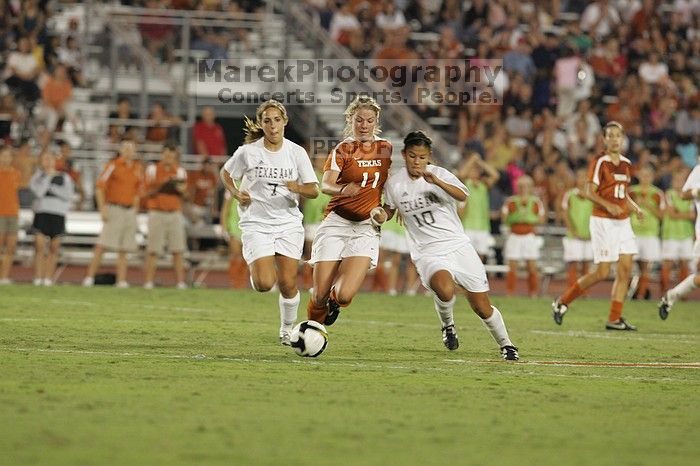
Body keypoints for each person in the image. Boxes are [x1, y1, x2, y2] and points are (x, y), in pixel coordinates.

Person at [382, 131, 519, 360]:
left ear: (429, 157)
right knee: (444, 289)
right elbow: (389, 209)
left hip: (458, 246)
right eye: (413, 156)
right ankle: (448, 325)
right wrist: (380, 214)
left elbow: (463, 195)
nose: (417, 162)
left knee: (482, 307)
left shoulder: (439, 174)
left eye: (422, 157)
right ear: (404, 155)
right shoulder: (395, 184)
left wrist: (438, 182)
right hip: (427, 252)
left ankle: (506, 345)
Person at [220, 100, 319, 345]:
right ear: (261, 124)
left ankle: (287, 330)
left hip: (288, 223)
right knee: (264, 284)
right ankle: (261, 264)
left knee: (287, 283)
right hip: (256, 223)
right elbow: (225, 173)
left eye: (277, 120)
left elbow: (314, 190)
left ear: (284, 121)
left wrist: (298, 187)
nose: (273, 125)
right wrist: (234, 192)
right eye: (267, 120)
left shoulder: (296, 152)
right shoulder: (248, 152)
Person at [305, 95, 392, 326]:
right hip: (337, 223)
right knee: (319, 294)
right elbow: (325, 185)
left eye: (369, 120)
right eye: (359, 120)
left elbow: (391, 182)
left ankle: (334, 304)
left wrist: (393, 207)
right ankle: (312, 333)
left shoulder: (386, 148)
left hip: (365, 227)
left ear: (376, 122)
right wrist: (343, 189)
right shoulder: (342, 150)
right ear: (350, 120)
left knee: (343, 296)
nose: (364, 125)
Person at [553, 121, 643, 330]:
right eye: (610, 135)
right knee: (602, 272)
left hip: (623, 222)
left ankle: (614, 318)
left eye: (617, 135)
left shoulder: (627, 163)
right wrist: (608, 205)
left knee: (625, 270)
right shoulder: (600, 161)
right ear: (604, 139)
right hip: (603, 221)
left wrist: (635, 207)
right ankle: (562, 302)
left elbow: (623, 193)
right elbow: (588, 192)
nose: (614, 139)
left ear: (623, 139)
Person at [83, 141, 144, 288]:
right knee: (102, 244)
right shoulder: (113, 165)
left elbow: (138, 192)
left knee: (124, 248)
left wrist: (135, 211)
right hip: (115, 208)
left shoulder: (137, 168)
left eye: (131, 148)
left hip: (129, 210)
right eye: (126, 148)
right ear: (121, 150)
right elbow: (100, 187)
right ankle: (89, 278)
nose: (128, 151)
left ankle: (121, 280)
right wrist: (102, 208)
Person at [658, 160, 700, 319]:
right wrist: (698, 192)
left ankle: (671, 295)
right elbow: (684, 194)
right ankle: (671, 295)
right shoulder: (699, 170)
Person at [143, 143, 189, 289]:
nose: (168, 158)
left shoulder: (180, 172)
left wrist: (179, 189)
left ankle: (180, 283)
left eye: (171, 155)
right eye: (166, 154)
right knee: (153, 250)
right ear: (162, 154)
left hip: (174, 213)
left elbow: (186, 195)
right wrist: (162, 186)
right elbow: (145, 192)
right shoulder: (152, 169)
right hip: (157, 212)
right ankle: (148, 282)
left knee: (178, 250)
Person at [30, 151, 74, 286]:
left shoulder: (64, 177)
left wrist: (51, 188)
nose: (48, 162)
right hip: (42, 213)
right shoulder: (37, 177)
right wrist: (48, 179)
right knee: (39, 246)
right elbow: (39, 192)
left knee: (54, 248)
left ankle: (48, 278)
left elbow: (68, 195)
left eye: (50, 159)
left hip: (58, 214)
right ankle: (38, 277)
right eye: (45, 159)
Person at [501, 175, 546, 297]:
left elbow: (541, 219)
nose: (523, 188)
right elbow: (504, 218)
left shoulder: (536, 202)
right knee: (512, 266)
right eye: (521, 186)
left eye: (526, 186)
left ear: (531, 188)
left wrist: (521, 217)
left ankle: (533, 293)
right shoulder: (510, 201)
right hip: (514, 235)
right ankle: (510, 292)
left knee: (532, 266)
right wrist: (525, 217)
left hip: (529, 236)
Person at [629, 165, 665, 299]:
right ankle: (631, 289)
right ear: (638, 176)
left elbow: (662, 215)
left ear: (652, 177)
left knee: (645, 267)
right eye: (642, 175)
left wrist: (647, 205)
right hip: (632, 233)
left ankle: (641, 295)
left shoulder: (657, 194)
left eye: (647, 175)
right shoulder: (631, 192)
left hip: (650, 234)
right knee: (627, 266)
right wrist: (635, 206)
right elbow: (623, 211)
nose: (645, 178)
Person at [456, 152, 499, 262]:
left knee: (481, 256)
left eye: (477, 169)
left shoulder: (483, 185)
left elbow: (495, 175)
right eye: (472, 169)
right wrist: (472, 160)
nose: (475, 171)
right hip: (468, 225)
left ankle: (478, 279)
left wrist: (479, 162)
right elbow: (461, 174)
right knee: (466, 256)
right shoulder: (465, 184)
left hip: (483, 226)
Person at [659, 170, 695, 293]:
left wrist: (679, 213)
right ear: (672, 182)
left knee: (684, 263)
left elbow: (692, 215)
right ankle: (664, 291)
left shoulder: (689, 196)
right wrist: (684, 214)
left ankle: (681, 293)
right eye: (676, 180)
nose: (679, 182)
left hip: (686, 234)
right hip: (670, 235)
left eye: (681, 180)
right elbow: (672, 214)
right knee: (667, 262)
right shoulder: (669, 194)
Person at [561, 167, 594, 287]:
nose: (582, 179)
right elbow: (564, 213)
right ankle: (571, 290)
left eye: (584, 177)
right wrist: (572, 230)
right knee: (573, 264)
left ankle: (584, 292)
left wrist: (593, 232)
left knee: (586, 265)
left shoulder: (593, 196)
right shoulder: (569, 194)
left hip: (588, 235)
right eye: (579, 176)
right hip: (573, 236)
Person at [0, 146, 21, 284]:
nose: (6, 158)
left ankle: (4, 277)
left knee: (11, 248)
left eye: (9, 156)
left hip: (13, 213)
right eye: (3, 155)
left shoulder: (16, 173)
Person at [220, 190, 248, 289]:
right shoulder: (231, 185)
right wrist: (224, 226)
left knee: (246, 256)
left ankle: (243, 283)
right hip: (234, 225)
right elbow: (226, 207)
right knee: (235, 254)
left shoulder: (252, 184)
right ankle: (234, 283)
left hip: (248, 225)